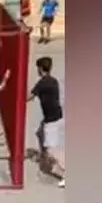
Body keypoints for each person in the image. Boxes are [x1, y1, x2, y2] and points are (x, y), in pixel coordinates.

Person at [27, 56, 65, 187]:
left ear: (40, 68)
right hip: (56, 114)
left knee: (52, 149)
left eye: (37, 68)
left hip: (51, 119)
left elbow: (29, 97)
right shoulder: (53, 80)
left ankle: (65, 172)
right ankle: (43, 158)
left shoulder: (42, 83)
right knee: (39, 133)